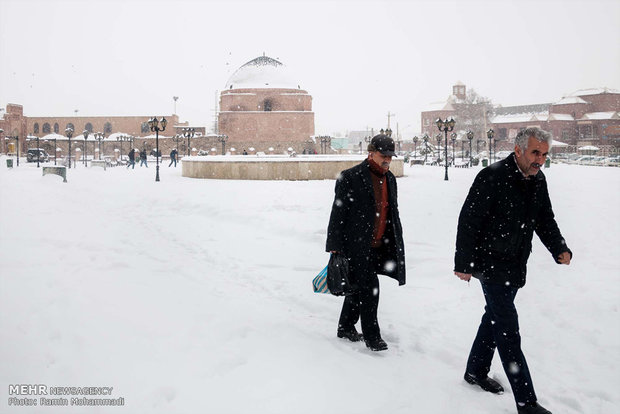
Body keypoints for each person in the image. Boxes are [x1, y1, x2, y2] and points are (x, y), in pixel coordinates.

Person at [454, 127, 572, 414]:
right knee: (507, 329)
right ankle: (526, 402)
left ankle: (475, 371)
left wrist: (559, 247)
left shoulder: (538, 180)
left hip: (516, 263)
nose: (540, 160)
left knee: (493, 318)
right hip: (490, 263)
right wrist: (464, 263)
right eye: (535, 153)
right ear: (518, 149)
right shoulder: (491, 176)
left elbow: (545, 218)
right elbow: (469, 220)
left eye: (544, 154)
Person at [326, 133, 406, 352]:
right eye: (383, 155)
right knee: (370, 287)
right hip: (355, 245)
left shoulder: (390, 179)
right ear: (371, 153)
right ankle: (372, 336)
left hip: (379, 244)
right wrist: (334, 244)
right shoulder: (350, 177)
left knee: (358, 286)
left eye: (391, 155)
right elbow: (338, 212)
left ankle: (345, 327)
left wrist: (395, 240)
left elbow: (391, 212)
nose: (388, 159)